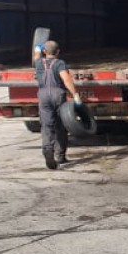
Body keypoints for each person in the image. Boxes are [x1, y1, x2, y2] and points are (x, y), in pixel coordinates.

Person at [33, 40, 81, 169]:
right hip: (58, 95)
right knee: (60, 125)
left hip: (43, 96)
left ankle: (48, 149)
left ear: (44, 52)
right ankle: (60, 156)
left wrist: (38, 47)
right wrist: (75, 94)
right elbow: (66, 79)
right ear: (58, 52)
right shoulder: (60, 63)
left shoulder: (38, 62)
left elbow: (36, 55)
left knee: (47, 125)